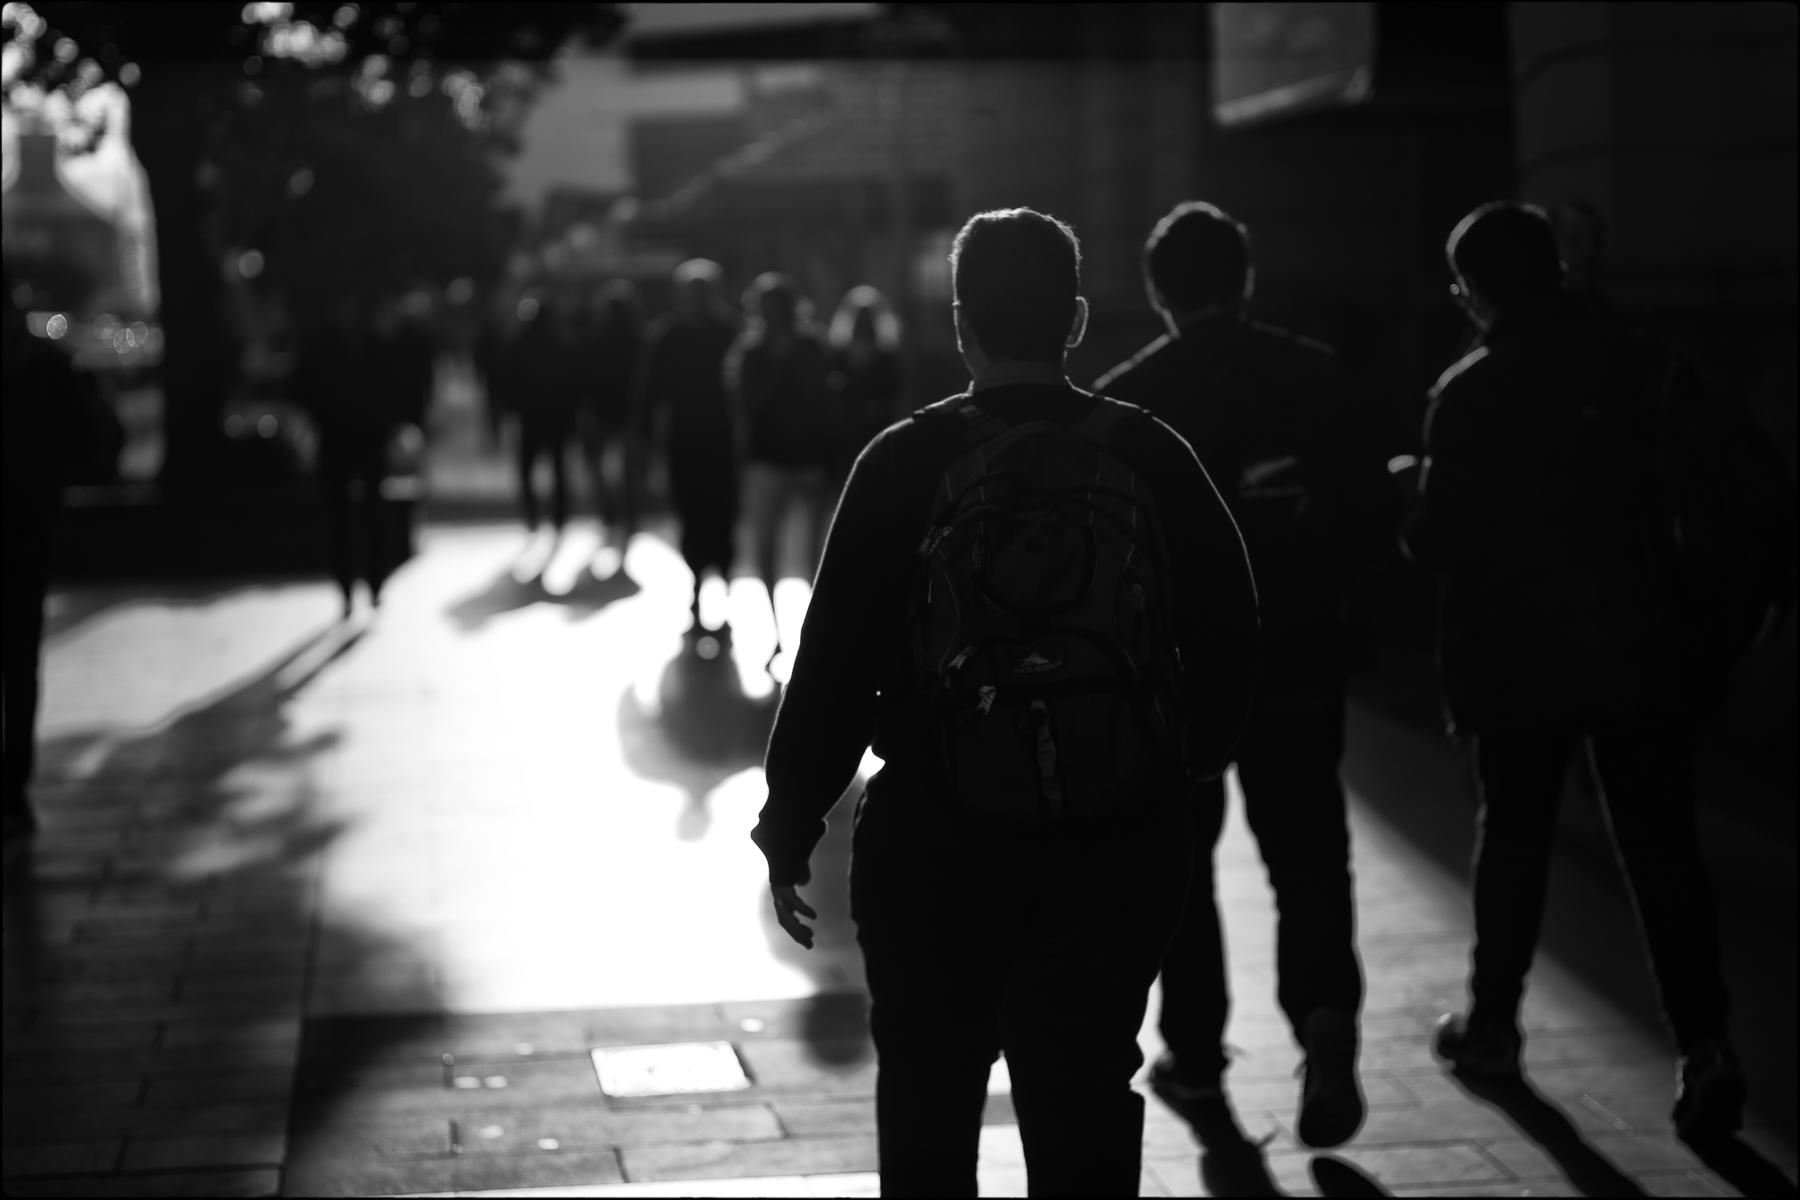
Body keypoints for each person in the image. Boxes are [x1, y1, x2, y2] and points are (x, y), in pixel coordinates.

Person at [751, 207, 1258, 1195]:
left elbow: (836, 662)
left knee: (930, 1095)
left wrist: (789, 818)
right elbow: (1234, 627)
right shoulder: (1152, 452)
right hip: (1115, 835)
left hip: (937, 838)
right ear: (1074, 322)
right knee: (1083, 1097)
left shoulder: (902, 461)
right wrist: (1178, 762)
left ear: (959, 323)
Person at [1403, 200, 1746, 1142]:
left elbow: (1441, 540)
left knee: (1512, 836)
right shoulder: (1643, 366)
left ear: (1471, 290)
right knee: (1660, 846)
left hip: (1517, 656)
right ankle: (1707, 1043)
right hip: (1638, 646)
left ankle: (1495, 1028)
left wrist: (1409, 500)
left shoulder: (1471, 390)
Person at [1094, 200, 1395, 1149]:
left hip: (1179, 673)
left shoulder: (1129, 403)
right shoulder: (1318, 376)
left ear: (1156, 292)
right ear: (1247, 278)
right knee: (1308, 852)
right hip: (1300, 655)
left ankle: (1196, 1045)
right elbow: (1368, 515)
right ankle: (1325, 1020)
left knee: (1181, 859)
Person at [3, 275, 114, 844]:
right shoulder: (46, 367)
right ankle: (13, 786)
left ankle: (13, 784)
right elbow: (89, 440)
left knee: (19, 660)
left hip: (25, 524)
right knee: (20, 661)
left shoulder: (44, 370)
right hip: (28, 524)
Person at [726, 272, 835, 669]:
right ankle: (775, 633)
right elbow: (749, 405)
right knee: (767, 551)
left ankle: (814, 633)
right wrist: (777, 364)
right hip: (767, 461)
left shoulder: (811, 347)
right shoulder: (752, 353)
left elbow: (822, 397)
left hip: (807, 459)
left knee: (816, 554)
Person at [629, 259, 743, 635]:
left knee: (722, 512)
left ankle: (722, 579)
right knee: (692, 512)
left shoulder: (728, 332)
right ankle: (698, 581)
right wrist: (644, 439)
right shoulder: (669, 335)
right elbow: (650, 392)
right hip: (685, 440)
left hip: (721, 440)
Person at [295, 294, 398, 617]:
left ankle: (373, 581)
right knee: (344, 517)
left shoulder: (370, 346)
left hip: (362, 438)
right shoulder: (330, 348)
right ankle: (348, 587)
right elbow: (304, 387)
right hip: (341, 439)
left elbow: (392, 388)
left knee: (367, 515)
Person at [510, 291, 582, 538]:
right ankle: (559, 518)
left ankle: (533, 515)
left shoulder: (521, 342)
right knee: (558, 468)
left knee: (527, 469)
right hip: (556, 416)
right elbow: (574, 383)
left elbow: (511, 379)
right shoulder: (563, 342)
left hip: (532, 415)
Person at [579, 280, 642, 551]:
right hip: (625, 411)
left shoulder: (596, 339)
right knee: (628, 468)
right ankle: (625, 512)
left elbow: (585, 378)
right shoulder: (637, 339)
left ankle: (611, 510)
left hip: (606, 410)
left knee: (599, 465)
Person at [825, 284, 903, 486]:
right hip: (844, 432)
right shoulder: (840, 354)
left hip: (875, 429)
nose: (863, 325)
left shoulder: (886, 356)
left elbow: (893, 392)